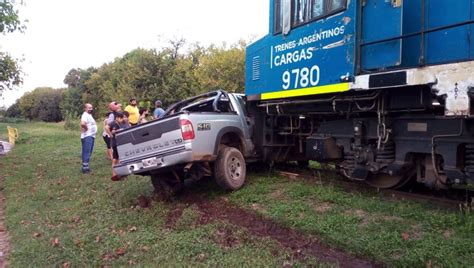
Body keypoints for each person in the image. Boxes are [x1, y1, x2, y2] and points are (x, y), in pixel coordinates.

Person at [105, 112, 126, 181]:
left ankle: (118, 174)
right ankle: (115, 174)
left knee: (117, 158)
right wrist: (110, 134)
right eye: (121, 118)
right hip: (115, 143)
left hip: (118, 143)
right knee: (116, 159)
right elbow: (106, 127)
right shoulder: (114, 123)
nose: (122, 119)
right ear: (117, 118)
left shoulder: (119, 123)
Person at [80, 103, 97, 173]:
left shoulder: (89, 115)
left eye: (91, 107)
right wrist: (86, 128)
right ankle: (85, 168)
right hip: (87, 136)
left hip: (91, 135)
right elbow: (82, 124)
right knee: (86, 151)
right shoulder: (84, 115)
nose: (91, 109)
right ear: (85, 108)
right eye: (89, 108)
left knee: (89, 151)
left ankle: (86, 166)